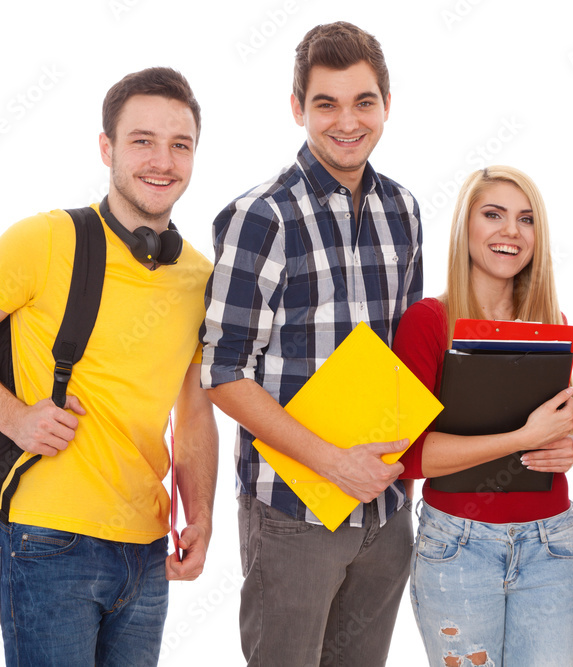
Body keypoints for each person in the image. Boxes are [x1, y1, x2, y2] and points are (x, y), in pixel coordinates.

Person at [0, 67, 218, 666]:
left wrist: (202, 517)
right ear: (106, 148)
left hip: (146, 547)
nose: (163, 160)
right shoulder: (45, 240)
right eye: (142, 140)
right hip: (48, 539)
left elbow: (195, 416)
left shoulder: (200, 279)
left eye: (179, 145)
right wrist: (14, 418)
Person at [200, 21, 422, 666]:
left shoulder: (402, 209)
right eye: (325, 103)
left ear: (386, 103)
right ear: (298, 107)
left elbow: (405, 355)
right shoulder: (261, 217)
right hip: (293, 513)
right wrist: (332, 461)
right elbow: (222, 371)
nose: (346, 121)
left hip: (385, 509)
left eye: (363, 102)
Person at [392, 166, 573, 667]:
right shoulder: (428, 321)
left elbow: (562, 434)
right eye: (493, 215)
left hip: (551, 544)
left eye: (526, 219)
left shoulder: (552, 325)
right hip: (459, 545)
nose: (510, 232)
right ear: (466, 228)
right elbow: (410, 457)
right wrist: (522, 437)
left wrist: (569, 447)